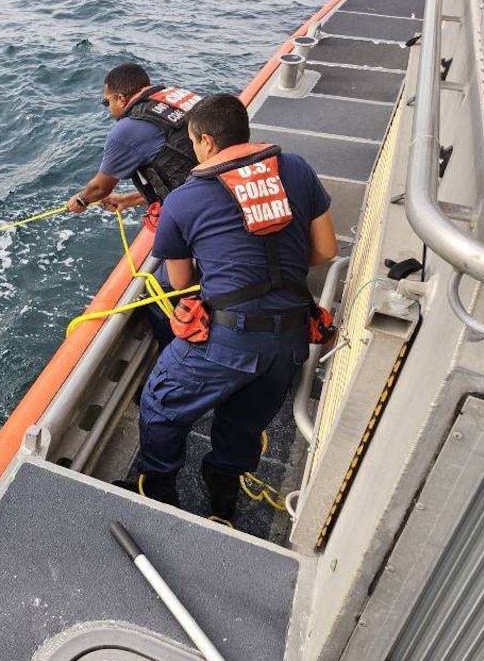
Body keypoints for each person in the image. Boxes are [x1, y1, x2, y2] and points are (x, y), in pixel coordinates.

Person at [127, 93, 337, 523]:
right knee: (243, 422)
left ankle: (158, 489)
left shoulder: (185, 198)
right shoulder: (296, 168)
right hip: (292, 338)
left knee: (161, 403)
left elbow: (182, 282)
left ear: (205, 141)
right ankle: (223, 500)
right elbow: (325, 250)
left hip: (229, 339)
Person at [66, 62, 201, 215]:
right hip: (223, 185)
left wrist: (82, 200)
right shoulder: (179, 97)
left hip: (199, 207)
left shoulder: (129, 128)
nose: (109, 109)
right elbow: (183, 171)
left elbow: (100, 188)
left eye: (107, 102)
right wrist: (129, 200)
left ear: (121, 98)